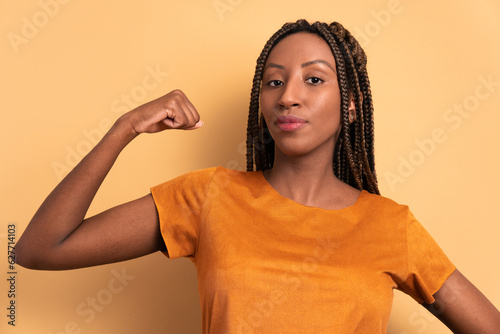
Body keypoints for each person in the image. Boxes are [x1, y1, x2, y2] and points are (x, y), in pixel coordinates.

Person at [14, 19, 500, 333]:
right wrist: (125, 128)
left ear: (350, 105)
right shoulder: (208, 197)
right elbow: (39, 248)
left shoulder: (391, 226)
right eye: (273, 80)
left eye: (313, 79)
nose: (288, 95)